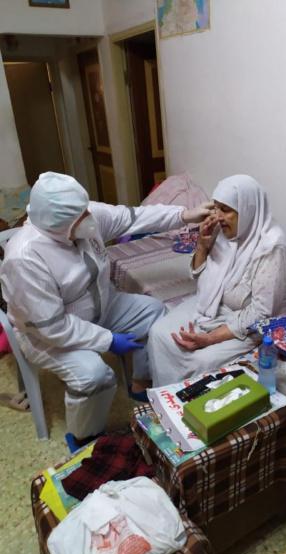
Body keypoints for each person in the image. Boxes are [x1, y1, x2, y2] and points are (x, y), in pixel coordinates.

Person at [0, 172, 212, 445]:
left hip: (102, 306)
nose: (89, 218)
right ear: (56, 224)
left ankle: (140, 382)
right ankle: (83, 436)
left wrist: (185, 215)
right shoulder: (25, 258)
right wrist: (108, 340)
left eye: (85, 210)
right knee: (94, 376)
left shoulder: (81, 215)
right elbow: (53, 327)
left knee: (153, 312)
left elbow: (134, 217)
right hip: (47, 335)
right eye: (81, 217)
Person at [147, 174, 286, 386]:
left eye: (226, 210)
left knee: (200, 360)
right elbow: (199, 277)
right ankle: (162, 397)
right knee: (159, 333)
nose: (218, 216)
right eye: (216, 208)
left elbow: (261, 312)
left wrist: (210, 338)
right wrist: (202, 245)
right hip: (217, 303)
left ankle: (189, 402)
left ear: (248, 210)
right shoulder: (223, 232)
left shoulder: (271, 249)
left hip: (256, 322)